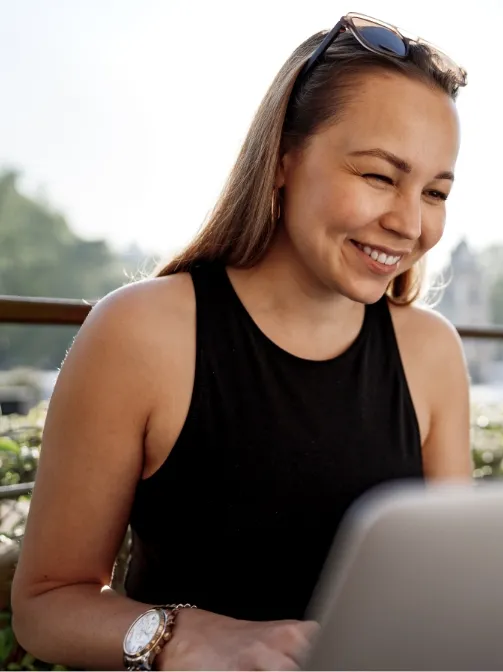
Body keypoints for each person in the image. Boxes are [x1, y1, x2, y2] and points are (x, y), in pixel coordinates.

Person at [11, 13, 472, 671]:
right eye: (378, 176)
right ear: (284, 160)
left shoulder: (432, 353)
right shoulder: (140, 332)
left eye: (435, 191)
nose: (409, 222)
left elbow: (449, 586)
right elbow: (46, 605)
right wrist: (184, 635)